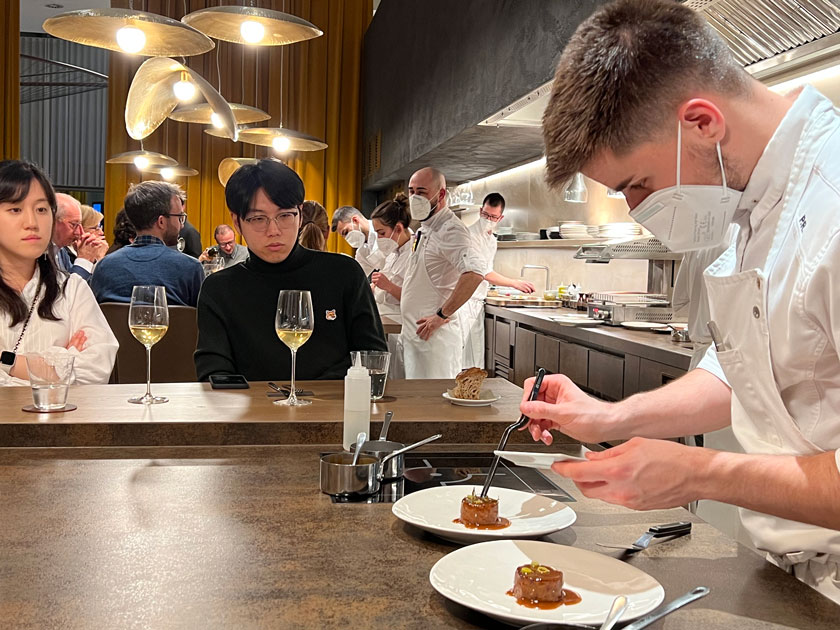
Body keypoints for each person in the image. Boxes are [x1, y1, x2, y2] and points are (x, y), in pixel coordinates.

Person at [529, 0, 840, 602]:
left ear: (702, 123)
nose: (637, 210)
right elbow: (748, 372)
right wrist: (608, 417)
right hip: (790, 577)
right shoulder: (750, 208)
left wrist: (700, 473)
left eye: (636, 184)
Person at [194, 159, 387, 382]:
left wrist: (310, 400)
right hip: (252, 414)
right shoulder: (219, 290)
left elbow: (373, 357)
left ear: (300, 214)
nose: (273, 230)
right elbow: (213, 373)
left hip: (335, 411)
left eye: (285, 215)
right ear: (237, 222)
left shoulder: (343, 274)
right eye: (258, 218)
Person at [0, 160, 117, 385]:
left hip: (62, 419)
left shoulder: (72, 289)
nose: (32, 223)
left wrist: (9, 364)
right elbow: (74, 376)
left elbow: (96, 371)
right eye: (15, 209)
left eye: (42, 209)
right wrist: (60, 362)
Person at [400, 167, 485, 379]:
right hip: (415, 337)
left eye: (422, 192)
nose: (415, 198)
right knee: (418, 404)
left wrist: (441, 315)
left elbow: (475, 273)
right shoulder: (425, 228)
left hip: (435, 341)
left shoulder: (451, 229)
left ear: (441, 195)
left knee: (434, 406)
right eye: (411, 192)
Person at [90, 181, 203, 306]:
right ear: (161, 222)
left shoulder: (103, 267)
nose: (181, 224)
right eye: (179, 217)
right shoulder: (191, 268)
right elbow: (199, 323)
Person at [459, 193, 535, 369]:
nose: (488, 219)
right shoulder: (468, 235)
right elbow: (481, 271)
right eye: (485, 215)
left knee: (474, 362)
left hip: (478, 302)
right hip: (464, 303)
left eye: (493, 217)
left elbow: (488, 269)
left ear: (500, 218)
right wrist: (514, 283)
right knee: (461, 359)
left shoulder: (492, 240)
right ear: (480, 211)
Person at [369, 193, 413, 378]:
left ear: (398, 228)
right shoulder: (393, 252)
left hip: (401, 328)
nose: (379, 239)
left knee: (398, 378)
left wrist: (388, 286)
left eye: (382, 233)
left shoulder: (414, 254)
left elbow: (416, 299)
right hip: (385, 323)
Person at [53, 193, 107, 279]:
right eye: (74, 225)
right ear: (53, 221)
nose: (79, 232)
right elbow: (71, 290)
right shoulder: (37, 252)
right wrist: (84, 259)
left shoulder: (60, 251)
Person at [331, 205, 382, 274]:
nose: (346, 238)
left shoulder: (384, 229)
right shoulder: (362, 251)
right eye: (343, 236)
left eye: (346, 232)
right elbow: (356, 276)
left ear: (355, 220)